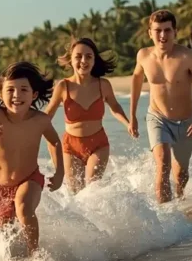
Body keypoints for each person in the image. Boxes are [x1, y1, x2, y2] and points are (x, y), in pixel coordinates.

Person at [0, 62, 64, 253]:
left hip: (30, 179)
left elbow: (55, 142)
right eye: (10, 90)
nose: (17, 95)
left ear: (34, 94)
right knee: (5, 239)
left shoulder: (40, 120)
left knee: (25, 209)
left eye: (23, 89)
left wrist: (60, 172)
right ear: (1, 94)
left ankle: (35, 257)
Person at [129, 9, 192, 203]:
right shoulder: (143, 56)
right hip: (157, 118)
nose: (162, 35)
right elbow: (136, 79)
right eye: (157, 30)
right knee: (162, 164)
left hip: (186, 122)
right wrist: (132, 115)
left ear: (175, 32)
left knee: (180, 174)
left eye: (167, 30)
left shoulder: (187, 57)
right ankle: (165, 218)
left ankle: (180, 199)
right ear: (149, 32)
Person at [46, 37, 133, 193]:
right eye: (78, 56)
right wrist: (28, 128)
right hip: (71, 147)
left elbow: (115, 106)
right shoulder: (63, 86)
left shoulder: (103, 85)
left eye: (89, 56)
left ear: (94, 60)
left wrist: (128, 124)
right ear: (71, 60)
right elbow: (47, 116)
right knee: (76, 193)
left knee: (92, 190)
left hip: (98, 145)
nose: (83, 60)